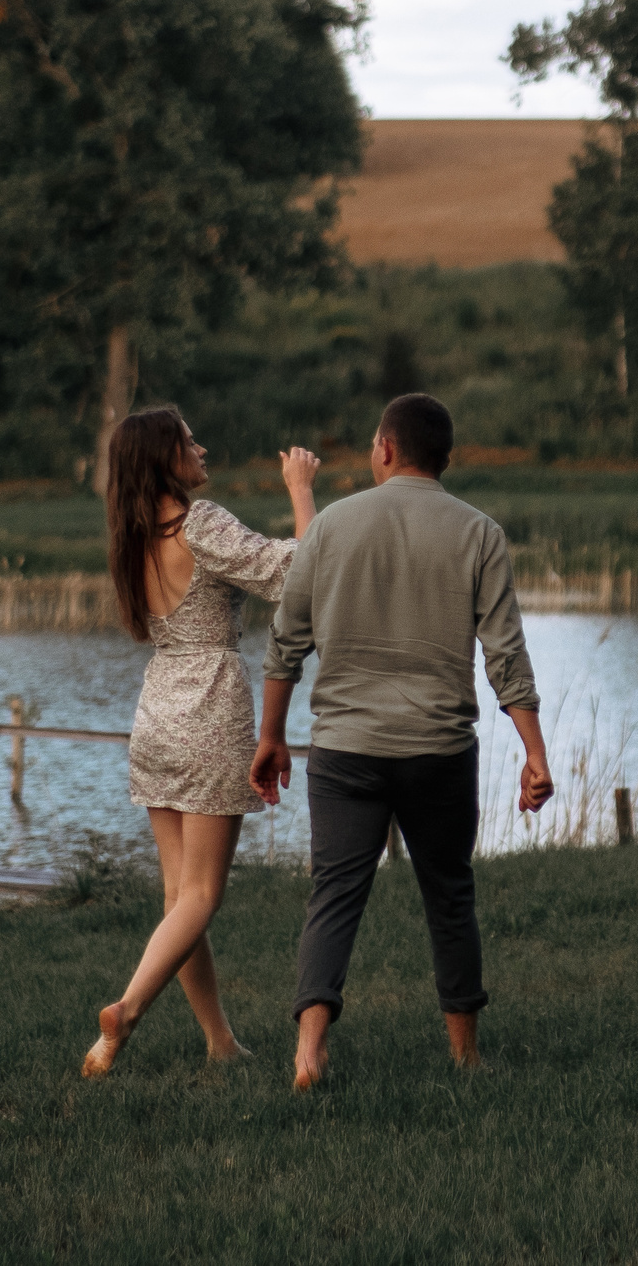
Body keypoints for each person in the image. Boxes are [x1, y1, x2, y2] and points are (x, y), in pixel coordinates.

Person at [250, 392, 552, 1091]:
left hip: (345, 749)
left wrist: (271, 736)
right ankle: (467, 1057)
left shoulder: (329, 527)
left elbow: (285, 643)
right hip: (439, 751)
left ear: (385, 448)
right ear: (444, 459)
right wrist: (535, 753)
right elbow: (505, 656)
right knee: (449, 894)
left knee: (334, 894)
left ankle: (308, 1052)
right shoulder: (481, 532)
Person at [82, 406, 320, 1079]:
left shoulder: (132, 538)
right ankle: (125, 1010)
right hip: (210, 707)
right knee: (204, 893)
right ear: (164, 458)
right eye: (188, 440)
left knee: (178, 895)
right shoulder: (201, 522)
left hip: (157, 709)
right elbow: (293, 574)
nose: (201, 446)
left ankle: (219, 1041)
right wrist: (300, 490)